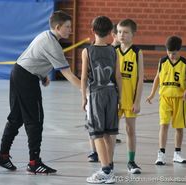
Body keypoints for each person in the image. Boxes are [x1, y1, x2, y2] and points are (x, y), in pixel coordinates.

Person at [0, 11, 80, 174]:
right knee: (35, 120)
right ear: (58, 27)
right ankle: (34, 162)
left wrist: (42, 75)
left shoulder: (45, 35)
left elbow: (33, 56)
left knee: (16, 118)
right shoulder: (54, 45)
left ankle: (2, 155)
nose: (70, 30)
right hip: (26, 79)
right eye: (68, 27)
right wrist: (87, 92)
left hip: (19, 72)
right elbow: (68, 74)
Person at [81, 16, 122, 183]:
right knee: (110, 132)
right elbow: (118, 76)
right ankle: (109, 165)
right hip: (112, 93)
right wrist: (120, 96)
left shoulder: (87, 51)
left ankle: (105, 171)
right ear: (110, 32)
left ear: (92, 31)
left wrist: (83, 97)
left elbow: (84, 77)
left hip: (96, 94)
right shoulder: (114, 51)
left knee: (96, 133)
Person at [146, 36, 186, 165]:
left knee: (179, 127)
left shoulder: (185, 63)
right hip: (165, 98)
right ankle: (161, 154)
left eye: (174, 53)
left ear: (179, 50)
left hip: (180, 99)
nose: (171, 56)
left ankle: (177, 153)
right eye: (169, 53)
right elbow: (157, 78)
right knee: (164, 125)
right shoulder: (162, 61)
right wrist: (151, 94)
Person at [116, 19, 144, 174]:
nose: (122, 35)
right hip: (116, 99)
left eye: (126, 32)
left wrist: (137, 101)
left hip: (130, 98)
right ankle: (108, 161)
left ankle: (131, 161)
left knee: (130, 130)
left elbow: (140, 78)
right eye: (119, 31)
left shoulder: (137, 52)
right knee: (112, 131)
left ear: (133, 34)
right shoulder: (113, 50)